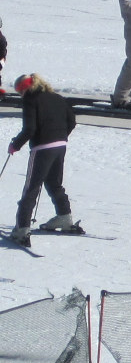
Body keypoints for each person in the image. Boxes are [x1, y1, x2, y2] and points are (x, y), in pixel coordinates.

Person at [8, 74, 78, 246]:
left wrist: (15, 145)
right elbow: (72, 121)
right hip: (60, 145)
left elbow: (30, 129)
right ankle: (64, 217)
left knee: (31, 188)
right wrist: (60, 136)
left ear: (25, 89)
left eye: (20, 92)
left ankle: (22, 228)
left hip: (42, 148)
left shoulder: (31, 100)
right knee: (54, 183)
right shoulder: (58, 98)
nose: (21, 95)